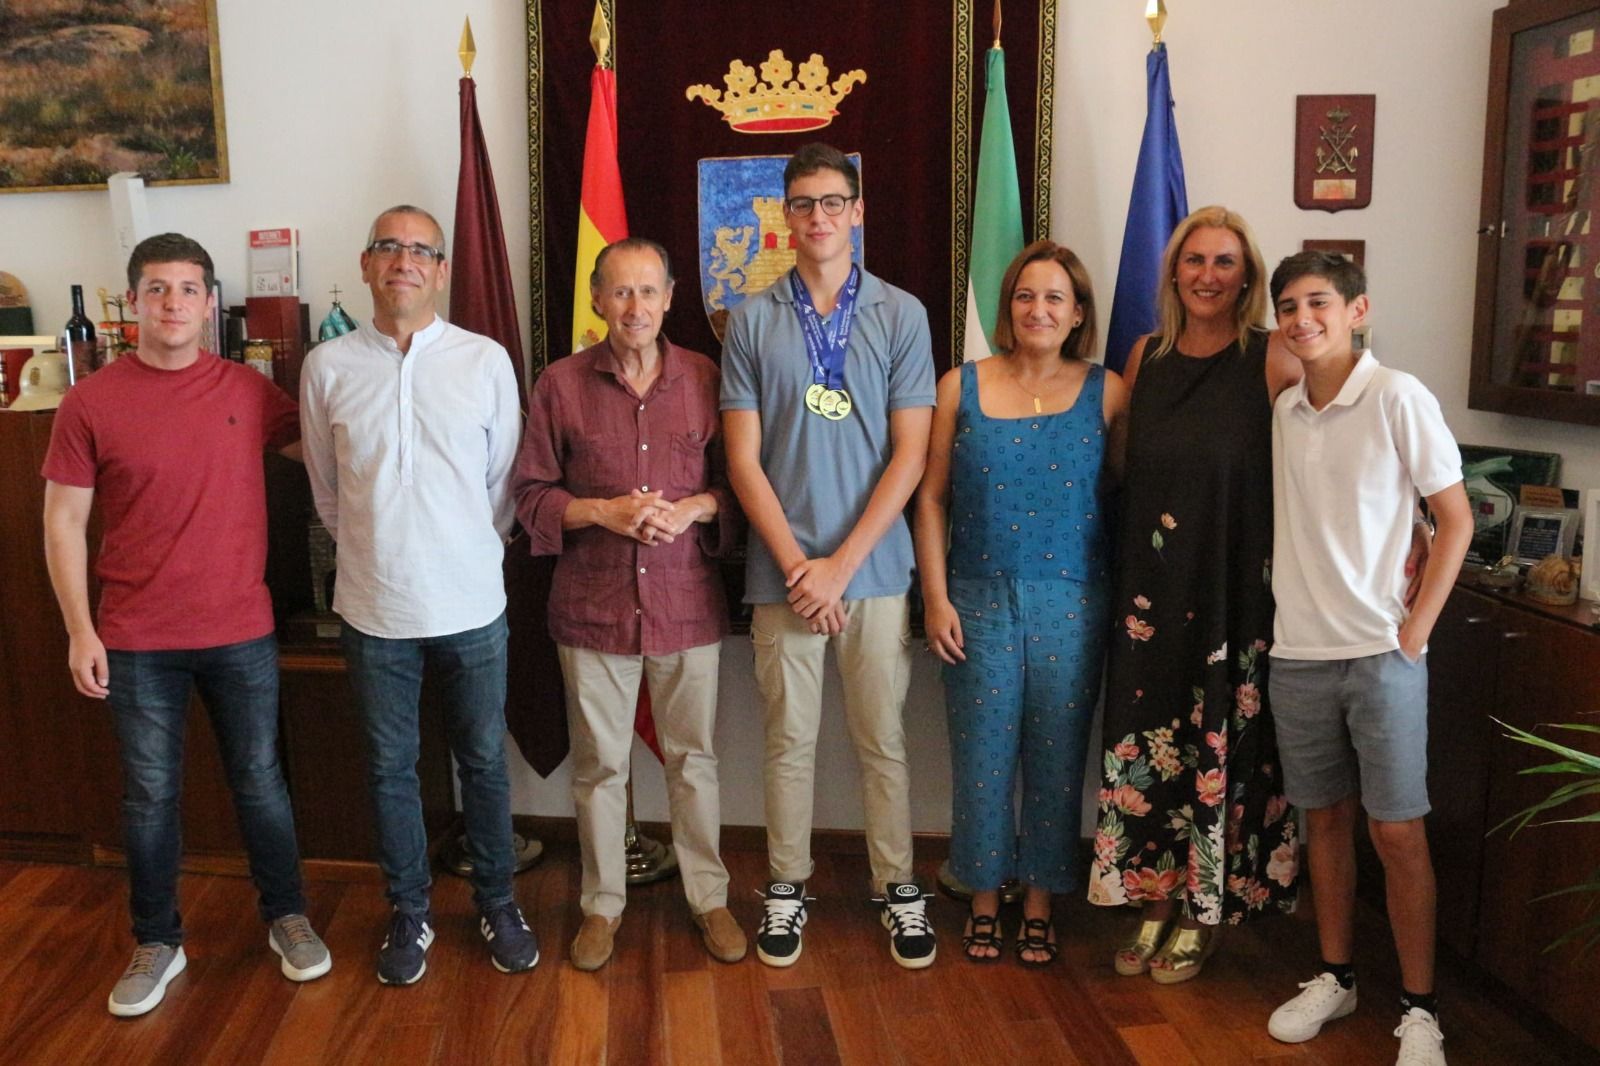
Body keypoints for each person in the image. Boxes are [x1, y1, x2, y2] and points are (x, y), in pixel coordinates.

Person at [41, 233, 331, 1017]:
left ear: (210, 303)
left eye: (189, 290)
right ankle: (157, 941)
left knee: (262, 786)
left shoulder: (248, 390)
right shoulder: (89, 402)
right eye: (158, 289)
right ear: (132, 302)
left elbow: (331, 457)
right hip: (135, 642)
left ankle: (287, 917)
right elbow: (64, 522)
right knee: (147, 799)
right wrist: (79, 629)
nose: (174, 304)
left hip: (240, 631)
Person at [300, 205, 535, 984]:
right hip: (372, 610)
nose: (404, 260)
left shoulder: (485, 360)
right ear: (367, 265)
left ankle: (499, 902)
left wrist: (461, 552)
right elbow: (328, 494)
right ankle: (410, 911)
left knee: (484, 763)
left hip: (472, 606)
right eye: (388, 247)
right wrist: (380, 553)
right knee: (390, 769)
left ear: (440, 270)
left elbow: (503, 486)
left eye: (420, 250)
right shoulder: (326, 366)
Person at [721, 142, 938, 969]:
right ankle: (786, 884)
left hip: (875, 572)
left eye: (832, 202)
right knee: (788, 741)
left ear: (857, 211)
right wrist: (801, 568)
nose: (818, 217)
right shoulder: (751, 319)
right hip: (783, 574)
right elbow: (743, 460)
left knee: (881, 738)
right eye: (803, 203)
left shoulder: (900, 313)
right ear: (786, 214)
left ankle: (898, 886)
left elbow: (911, 455)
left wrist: (841, 566)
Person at [513, 237, 746, 971]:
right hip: (592, 611)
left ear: (671, 297)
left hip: (686, 608)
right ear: (596, 301)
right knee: (600, 769)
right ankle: (601, 905)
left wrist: (697, 508)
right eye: (620, 292)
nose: (635, 307)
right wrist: (603, 512)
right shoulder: (559, 384)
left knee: (694, 762)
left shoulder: (708, 378)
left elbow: (740, 487)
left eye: (648, 292)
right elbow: (530, 497)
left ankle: (709, 897)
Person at [1263, 251, 1470, 1066]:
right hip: (1298, 654)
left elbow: (1452, 519)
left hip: (1381, 655)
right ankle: (1336, 975)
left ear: (1358, 310)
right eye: (1287, 305)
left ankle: (1420, 1009)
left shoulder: (1396, 396)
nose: (1301, 317)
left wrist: (1415, 631)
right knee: (1324, 822)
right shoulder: (1284, 411)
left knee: (1398, 831)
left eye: (1318, 302)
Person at [1087, 206, 1304, 982]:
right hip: (1149, 594)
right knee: (1153, 741)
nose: (1208, 274)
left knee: (1217, 745)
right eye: (1194, 260)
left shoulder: (1272, 355)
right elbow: (1117, 467)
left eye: (1224, 261)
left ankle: (1202, 906)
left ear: (1246, 275)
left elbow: (1334, 436)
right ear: (1173, 271)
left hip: (1232, 588)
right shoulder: (1146, 355)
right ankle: (1153, 899)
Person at [915, 241, 1128, 965]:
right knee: (981, 754)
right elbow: (931, 498)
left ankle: (1039, 898)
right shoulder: (959, 386)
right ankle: (981, 893)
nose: (1039, 309)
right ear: (1008, 308)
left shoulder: (1112, 391)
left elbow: (1127, 497)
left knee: (1058, 754)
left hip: (1074, 599)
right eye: (1025, 296)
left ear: (1078, 314)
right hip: (974, 597)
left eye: (1055, 298)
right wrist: (935, 596)